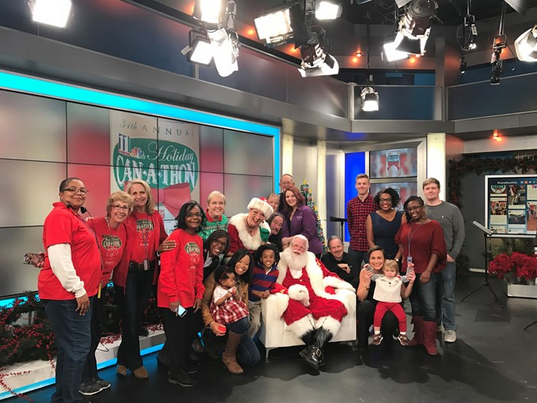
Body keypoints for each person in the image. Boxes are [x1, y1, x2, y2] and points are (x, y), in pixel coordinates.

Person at [39, 178, 101, 403]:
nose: (78, 193)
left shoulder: (74, 216)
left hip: (75, 294)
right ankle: (70, 399)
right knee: (77, 349)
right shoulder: (59, 217)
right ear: (61, 194)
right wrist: (78, 289)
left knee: (69, 349)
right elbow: (59, 258)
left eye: (82, 190)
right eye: (72, 189)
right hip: (67, 296)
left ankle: (62, 398)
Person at [113, 179, 173, 379]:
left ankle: (122, 360)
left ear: (148, 195)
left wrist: (165, 247)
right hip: (128, 273)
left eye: (142, 192)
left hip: (148, 272)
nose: (138, 196)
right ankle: (135, 362)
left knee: (135, 317)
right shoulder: (125, 216)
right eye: (134, 193)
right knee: (130, 318)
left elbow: (163, 238)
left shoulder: (155, 216)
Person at [79, 191, 132, 396]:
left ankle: (91, 375)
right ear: (109, 208)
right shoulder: (92, 223)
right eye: (117, 206)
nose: (121, 210)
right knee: (86, 334)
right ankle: (82, 379)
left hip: (101, 286)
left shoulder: (124, 229)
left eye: (125, 207)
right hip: (86, 286)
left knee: (95, 332)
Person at [276, 235, 354, 370]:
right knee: (291, 308)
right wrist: (287, 292)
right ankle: (316, 351)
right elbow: (271, 281)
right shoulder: (280, 260)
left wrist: (330, 287)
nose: (298, 249)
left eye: (302, 247)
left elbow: (327, 274)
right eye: (295, 246)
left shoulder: (312, 259)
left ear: (306, 249)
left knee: (337, 305)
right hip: (292, 298)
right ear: (290, 246)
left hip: (314, 297)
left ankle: (313, 351)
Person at [157, 201, 205, 387]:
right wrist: (173, 298)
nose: (194, 218)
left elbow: (198, 270)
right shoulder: (175, 237)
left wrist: (199, 294)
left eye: (198, 214)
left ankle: (176, 363)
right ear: (183, 217)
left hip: (189, 297)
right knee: (176, 337)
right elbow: (166, 271)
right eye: (190, 214)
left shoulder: (198, 240)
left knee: (188, 331)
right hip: (172, 299)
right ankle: (175, 373)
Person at [395, 196, 446, 356]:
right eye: (410, 209)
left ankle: (429, 342)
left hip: (426, 272)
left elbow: (437, 251)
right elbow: (399, 240)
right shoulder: (406, 225)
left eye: (416, 207)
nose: (413, 211)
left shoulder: (434, 226)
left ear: (423, 208)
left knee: (429, 306)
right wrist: (404, 256)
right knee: (415, 305)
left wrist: (428, 270)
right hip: (410, 272)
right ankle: (418, 337)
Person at [201, 249, 260, 374]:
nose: (242, 266)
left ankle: (228, 348)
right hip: (218, 320)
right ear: (234, 260)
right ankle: (228, 356)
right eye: (240, 261)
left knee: (253, 359)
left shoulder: (243, 281)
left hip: (236, 324)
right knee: (242, 321)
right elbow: (204, 303)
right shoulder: (220, 274)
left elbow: (243, 304)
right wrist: (211, 323)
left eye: (246, 264)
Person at [423, 178, 465, 343]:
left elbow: (460, 233)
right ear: (424, 191)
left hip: (446, 260)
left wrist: (453, 254)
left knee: (447, 295)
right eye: (427, 188)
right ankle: (435, 325)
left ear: (439, 190)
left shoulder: (452, 209)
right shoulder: (421, 210)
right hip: (427, 262)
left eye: (433, 188)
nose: (431, 191)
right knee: (430, 295)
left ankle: (450, 328)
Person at [356, 246, 400, 353]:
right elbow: (360, 297)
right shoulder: (365, 272)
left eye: (379, 258)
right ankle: (362, 343)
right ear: (369, 259)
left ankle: (387, 340)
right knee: (364, 306)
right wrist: (367, 283)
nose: (376, 261)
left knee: (390, 317)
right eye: (373, 258)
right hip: (371, 307)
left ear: (384, 259)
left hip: (387, 307)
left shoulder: (390, 271)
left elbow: (404, 295)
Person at [370, 259, 415, 346]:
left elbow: (408, 277)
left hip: (395, 303)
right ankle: (377, 334)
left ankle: (402, 334)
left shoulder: (399, 279)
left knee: (402, 317)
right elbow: (371, 275)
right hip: (382, 303)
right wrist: (368, 268)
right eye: (387, 270)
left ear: (396, 271)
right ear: (383, 270)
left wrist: (410, 268)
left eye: (392, 270)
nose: (389, 273)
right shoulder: (379, 278)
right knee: (377, 317)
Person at [247, 243, 280, 338]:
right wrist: (255, 292)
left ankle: (246, 341)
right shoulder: (254, 269)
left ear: (275, 259)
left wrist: (268, 291)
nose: (268, 259)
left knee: (256, 324)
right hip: (246, 300)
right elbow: (246, 286)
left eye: (271, 257)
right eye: (265, 257)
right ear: (261, 258)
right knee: (246, 322)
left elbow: (271, 287)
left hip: (257, 304)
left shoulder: (276, 272)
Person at [281, 186, 323, 256]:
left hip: (310, 250)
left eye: (293, 196)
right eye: (287, 197)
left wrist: (289, 239)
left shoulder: (306, 211)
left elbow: (309, 233)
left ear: (298, 196)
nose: (290, 199)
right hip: (297, 250)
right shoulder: (288, 212)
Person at [366, 187, 406, 260]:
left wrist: (396, 259)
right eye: (382, 200)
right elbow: (370, 240)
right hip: (378, 259)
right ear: (378, 201)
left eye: (388, 200)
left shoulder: (401, 216)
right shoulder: (371, 217)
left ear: (393, 201)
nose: (385, 202)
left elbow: (403, 240)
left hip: (397, 257)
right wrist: (379, 258)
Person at [347, 174, 377, 269]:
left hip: (370, 246)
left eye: (364, 183)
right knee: (353, 273)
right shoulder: (351, 203)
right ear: (355, 186)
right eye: (359, 184)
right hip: (355, 246)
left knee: (373, 273)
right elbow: (350, 224)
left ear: (369, 185)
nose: (361, 186)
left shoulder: (375, 202)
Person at [210, 265, 249, 332]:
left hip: (233, 308)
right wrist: (225, 297)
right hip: (224, 309)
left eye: (234, 279)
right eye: (231, 280)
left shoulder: (233, 288)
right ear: (223, 282)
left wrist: (235, 294)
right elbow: (216, 302)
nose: (234, 282)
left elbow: (239, 299)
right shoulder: (218, 289)